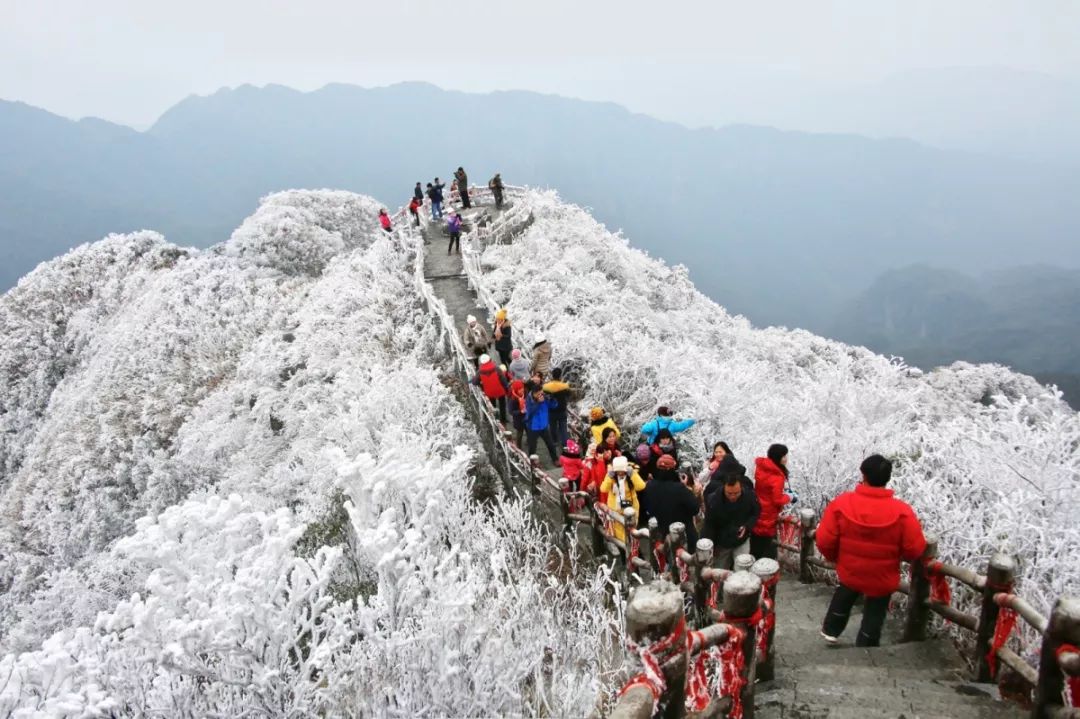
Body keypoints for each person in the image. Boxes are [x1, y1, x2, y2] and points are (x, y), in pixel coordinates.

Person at [817, 455, 927, 647]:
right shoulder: (902, 512)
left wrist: (834, 557)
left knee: (846, 591)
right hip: (882, 574)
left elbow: (825, 539)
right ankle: (867, 643)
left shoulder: (842, 504)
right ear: (888, 478)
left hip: (850, 569)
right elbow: (915, 549)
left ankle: (831, 630)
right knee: (877, 607)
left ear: (863, 475)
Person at [703, 470, 761, 569]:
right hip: (722, 542)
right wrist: (712, 546)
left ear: (741, 488)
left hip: (741, 539)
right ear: (724, 488)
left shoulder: (749, 496)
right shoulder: (714, 501)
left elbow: (755, 513)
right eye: (729, 493)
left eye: (736, 493)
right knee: (719, 571)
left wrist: (747, 526)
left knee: (742, 571)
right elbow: (709, 525)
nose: (733, 496)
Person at [642, 454, 700, 550]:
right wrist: (686, 488)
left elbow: (648, 507)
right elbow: (695, 509)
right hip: (684, 535)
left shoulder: (649, 486)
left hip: (660, 533)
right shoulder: (680, 489)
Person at [751, 444, 793, 560]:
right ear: (777, 457)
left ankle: (754, 568)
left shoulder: (761, 468)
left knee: (756, 546)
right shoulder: (777, 476)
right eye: (784, 456)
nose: (786, 458)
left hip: (758, 509)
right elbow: (777, 499)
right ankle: (767, 573)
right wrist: (790, 497)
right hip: (769, 514)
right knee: (768, 549)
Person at [600, 456, 646, 544]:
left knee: (631, 533)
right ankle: (623, 550)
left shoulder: (631, 475)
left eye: (622, 471)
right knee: (618, 535)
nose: (620, 474)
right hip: (615, 509)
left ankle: (632, 551)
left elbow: (641, 486)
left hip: (630, 509)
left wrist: (633, 474)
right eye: (618, 471)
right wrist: (609, 477)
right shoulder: (611, 476)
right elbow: (603, 489)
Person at [524, 385, 559, 464]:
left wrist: (552, 399)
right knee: (532, 446)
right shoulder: (529, 400)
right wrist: (538, 403)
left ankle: (555, 459)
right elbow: (530, 412)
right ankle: (532, 462)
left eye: (542, 393)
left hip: (544, 425)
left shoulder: (545, 398)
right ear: (534, 393)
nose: (541, 395)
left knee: (550, 443)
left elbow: (554, 406)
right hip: (533, 426)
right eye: (539, 394)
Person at [471, 354, 509, 423]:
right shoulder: (497, 368)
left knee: (492, 405)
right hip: (499, 390)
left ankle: (495, 419)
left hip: (489, 392)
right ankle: (503, 419)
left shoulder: (480, 371)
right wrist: (506, 387)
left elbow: (475, 382)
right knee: (502, 405)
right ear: (490, 359)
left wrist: (475, 380)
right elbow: (503, 380)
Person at [542, 367, 572, 449]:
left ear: (552, 376)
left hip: (551, 410)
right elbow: (569, 395)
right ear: (560, 376)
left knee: (552, 427)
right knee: (563, 427)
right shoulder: (564, 386)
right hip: (562, 410)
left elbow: (543, 396)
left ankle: (554, 441)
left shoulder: (546, 387)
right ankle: (565, 444)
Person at [508, 379, 527, 447]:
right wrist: (520, 412)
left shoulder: (525, 394)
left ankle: (528, 442)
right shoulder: (512, 400)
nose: (522, 390)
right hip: (519, 419)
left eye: (522, 388)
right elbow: (510, 411)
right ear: (516, 390)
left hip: (527, 417)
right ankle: (519, 446)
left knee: (529, 431)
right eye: (520, 389)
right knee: (520, 433)